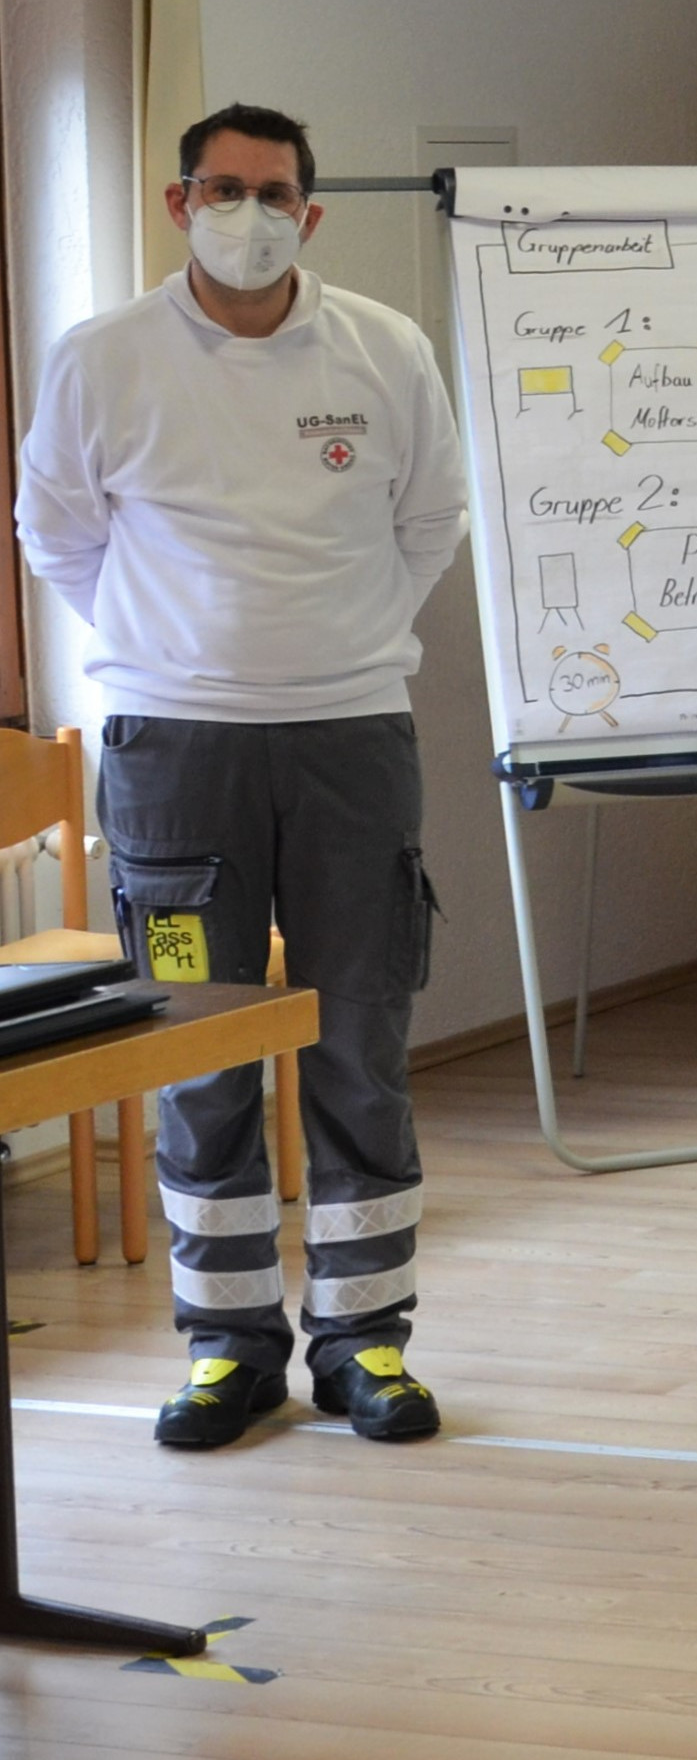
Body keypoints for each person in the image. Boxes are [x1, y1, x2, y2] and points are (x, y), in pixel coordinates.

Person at [17, 103, 466, 1446]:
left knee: (359, 1041)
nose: (249, 214)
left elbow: (429, 521)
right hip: (174, 753)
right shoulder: (103, 358)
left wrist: (333, 645)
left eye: (274, 193)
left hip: (351, 741)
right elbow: (57, 533)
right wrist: (179, 650)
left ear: (310, 215)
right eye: (224, 188)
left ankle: (365, 1343)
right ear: (180, 203)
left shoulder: (385, 348)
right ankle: (228, 1349)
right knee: (194, 1049)